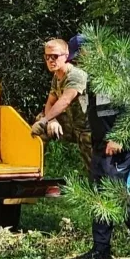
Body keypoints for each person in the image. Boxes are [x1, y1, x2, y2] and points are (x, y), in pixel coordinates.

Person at [68, 35, 130, 259]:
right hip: (103, 145)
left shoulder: (119, 69)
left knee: (122, 194)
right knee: (100, 195)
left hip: (126, 146)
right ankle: (101, 251)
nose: (77, 63)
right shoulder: (92, 76)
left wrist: (121, 137)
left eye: (79, 57)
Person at [31, 39, 93, 174]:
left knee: (95, 170)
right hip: (71, 125)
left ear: (66, 56)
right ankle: (32, 172)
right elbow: (50, 102)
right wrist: (51, 121)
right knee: (40, 123)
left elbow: (65, 100)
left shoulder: (75, 75)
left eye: (55, 56)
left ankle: (96, 187)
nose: (51, 60)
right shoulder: (57, 76)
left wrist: (45, 121)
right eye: (47, 57)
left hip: (87, 129)